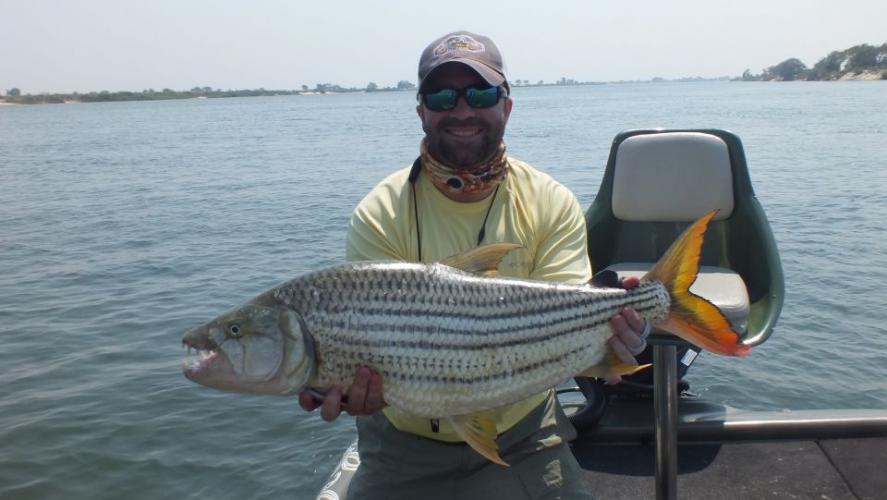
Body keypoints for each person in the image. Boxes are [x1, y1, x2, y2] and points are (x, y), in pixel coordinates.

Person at [299, 31, 649, 499]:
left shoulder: (550, 201)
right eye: (442, 96)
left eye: (480, 93)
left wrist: (612, 340)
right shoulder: (379, 212)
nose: (461, 109)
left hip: (524, 434)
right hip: (402, 444)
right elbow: (365, 350)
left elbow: (566, 325)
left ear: (506, 105)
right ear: (421, 110)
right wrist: (350, 389)